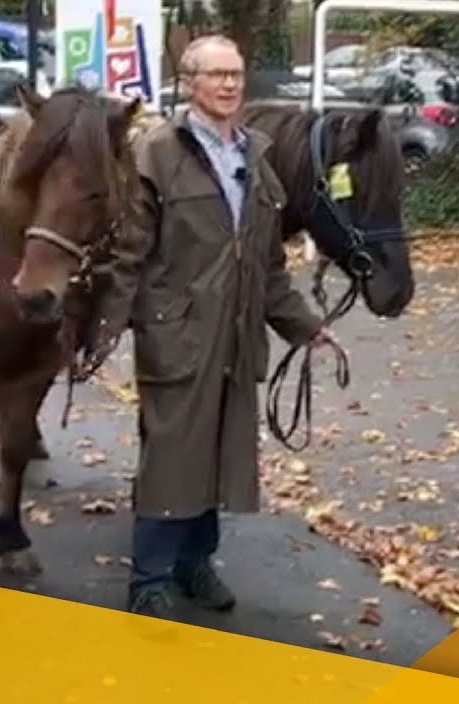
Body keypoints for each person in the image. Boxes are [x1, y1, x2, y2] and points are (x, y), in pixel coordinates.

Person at [88, 35, 338, 619]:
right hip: (177, 335)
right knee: (172, 455)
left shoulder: (255, 154)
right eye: (216, 75)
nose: (229, 84)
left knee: (220, 453)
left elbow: (267, 263)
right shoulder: (156, 153)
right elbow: (128, 254)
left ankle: (195, 565)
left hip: (236, 332)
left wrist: (304, 325)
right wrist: (102, 328)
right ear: (189, 83)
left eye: (236, 73)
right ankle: (149, 578)